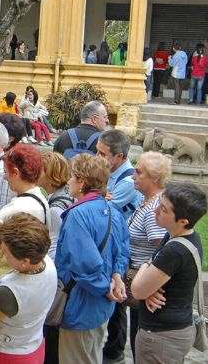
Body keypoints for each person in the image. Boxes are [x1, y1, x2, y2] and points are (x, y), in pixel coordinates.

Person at [55, 154, 129, 364]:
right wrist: (116, 278)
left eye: (71, 177)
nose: (68, 181)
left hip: (82, 304)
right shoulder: (113, 210)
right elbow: (122, 250)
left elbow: (83, 265)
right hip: (102, 305)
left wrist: (105, 288)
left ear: (81, 182)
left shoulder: (78, 214)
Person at [130, 182, 208, 364]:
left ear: (183, 221)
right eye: (159, 204)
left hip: (161, 336)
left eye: (164, 210)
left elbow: (137, 291)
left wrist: (144, 271)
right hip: (173, 330)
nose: (156, 211)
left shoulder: (174, 251)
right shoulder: (178, 235)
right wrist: (149, 283)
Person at [0, 213, 58, 364]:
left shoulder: (9, 292)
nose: (3, 255)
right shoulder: (46, 261)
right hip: (32, 346)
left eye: (6, 252)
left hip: (7, 355)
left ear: (25, 261)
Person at [97, 129, 143, 362]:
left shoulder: (127, 181)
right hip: (115, 245)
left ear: (120, 156)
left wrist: (102, 196)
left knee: (118, 303)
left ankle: (114, 351)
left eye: (103, 154)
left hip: (124, 250)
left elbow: (103, 207)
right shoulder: (114, 173)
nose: (99, 157)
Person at [120, 151, 170, 360]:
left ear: (154, 178)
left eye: (139, 172)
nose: (133, 175)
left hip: (145, 288)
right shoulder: (147, 201)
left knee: (141, 344)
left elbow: (163, 251)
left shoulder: (154, 210)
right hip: (138, 285)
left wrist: (149, 287)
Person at [0, 144, 49, 247]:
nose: (4, 177)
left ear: (15, 173)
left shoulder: (18, 208)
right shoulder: (40, 195)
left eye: (5, 171)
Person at [38, 151, 73, 364]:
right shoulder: (62, 197)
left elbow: (55, 244)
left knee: (51, 328)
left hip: (56, 275)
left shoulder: (55, 208)